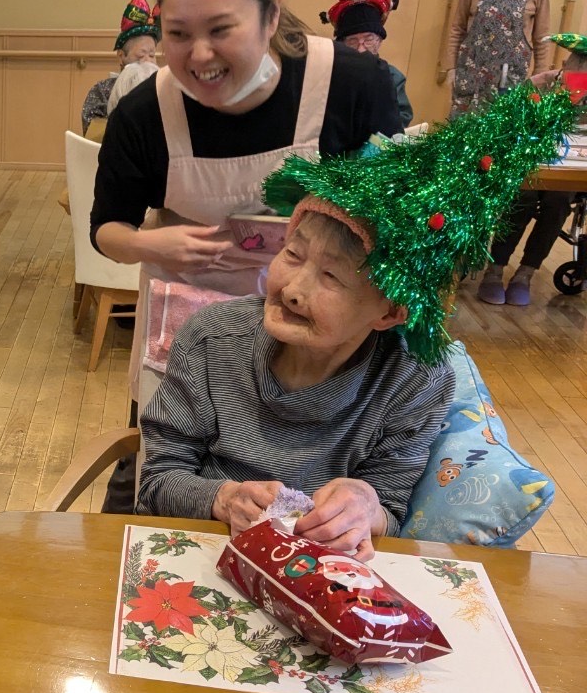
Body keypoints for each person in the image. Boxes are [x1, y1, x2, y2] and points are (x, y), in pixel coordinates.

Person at [137, 83, 577, 558]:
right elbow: (157, 482)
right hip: (199, 552)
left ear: (389, 311)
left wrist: (366, 505)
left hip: (321, 580)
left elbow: (389, 504)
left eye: (330, 276)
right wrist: (221, 498)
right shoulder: (212, 340)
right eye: (292, 253)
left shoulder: (414, 380)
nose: (293, 288)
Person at [89, 0, 401, 513]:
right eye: (176, 33)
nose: (198, 56)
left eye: (221, 30)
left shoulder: (350, 86)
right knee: (160, 477)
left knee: (300, 492)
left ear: (271, 14)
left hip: (321, 335)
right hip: (189, 323)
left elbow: (400, 226)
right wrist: (155, 247)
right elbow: (106, 229)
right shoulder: (144, 113)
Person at [477, 32, 587, 305]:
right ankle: (495, 269)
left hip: (570, 170)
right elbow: (508, 126)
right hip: (527, 164)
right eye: (575, 78)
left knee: (558, 201)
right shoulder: (538, 85)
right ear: (563, 65)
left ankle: (525, 273)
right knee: (523, 197)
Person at [81, 0, 159, 137]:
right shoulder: (102, 92)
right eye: (141, 56)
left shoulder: (163, 88)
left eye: (152, 55)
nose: (148, 62)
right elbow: (93, 138)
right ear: (122, 56)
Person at [332, 1, 413, 128]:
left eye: (368, 40)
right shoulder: (332, 74)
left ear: (379, 41)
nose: (361, 49)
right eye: (352, 41)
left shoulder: (392, 76)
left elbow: (403, 116)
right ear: (342, 44)